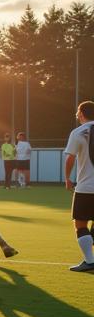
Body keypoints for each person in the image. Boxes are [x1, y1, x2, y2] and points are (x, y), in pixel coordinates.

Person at [65, 100, 94, 273]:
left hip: (86, 187)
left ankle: (89, 261)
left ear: (81, 113)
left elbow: (70, 158)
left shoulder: (78, 132)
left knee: (80, 224)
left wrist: (67, 178)